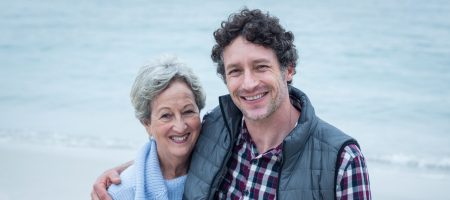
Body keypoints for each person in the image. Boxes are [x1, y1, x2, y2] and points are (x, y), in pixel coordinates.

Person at [92, 8, 371, 200]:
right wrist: (121, 177)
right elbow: (172, 149)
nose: (249, 84)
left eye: (261, 67)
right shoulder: (216, 129)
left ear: (288, 70)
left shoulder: (343, 160)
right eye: (235, 71)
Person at [95, 56, 206, 200]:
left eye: (188, 111)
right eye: (166, 115)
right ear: (146, 123)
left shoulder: (222, 171)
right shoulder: (122, 192)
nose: (180, 126)